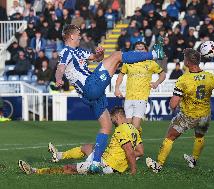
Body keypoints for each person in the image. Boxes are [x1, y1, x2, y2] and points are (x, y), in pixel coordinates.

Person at [55, 24, 164, 169]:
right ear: (72, 36)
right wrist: (58, 78)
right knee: (118, 55)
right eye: (78, 34)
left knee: (106, 126)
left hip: (91, 94)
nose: (80, 36)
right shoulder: (66, 52)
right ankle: (155, 54)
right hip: (90, 85)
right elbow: (60, 68)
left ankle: (95, 163)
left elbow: (96, 58)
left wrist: (100, 53)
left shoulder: (79, 51)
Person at [145, 48, 214, 173]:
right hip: (205, 115)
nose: (183, 60)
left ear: (188, 62)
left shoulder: (183, 80)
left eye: (185, 58)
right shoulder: (210, 77)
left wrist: (172, 104)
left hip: (187, 116)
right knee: (199, 136)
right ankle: (193, 159)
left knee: (170, 137)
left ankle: (159, 164)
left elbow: (173, 104)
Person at [18, 107, 143, 175]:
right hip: (107, 160)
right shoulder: (135, 129)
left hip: (107, 166)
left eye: (112, 119)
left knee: (68, 168)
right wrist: (123, 158)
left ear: (117, 117)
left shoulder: (120, 129)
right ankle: (59, 155)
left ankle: (34, 171)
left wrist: (133, 171)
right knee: (87, 147)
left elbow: (129, 151)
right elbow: (140, 152)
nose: (112, 122)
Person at [114, 41, 166, 135]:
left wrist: (157, 83)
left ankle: (136, 144)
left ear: (146, 50)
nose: (140, 51)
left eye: (142, 49)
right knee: (127, 126)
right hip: (129, 97)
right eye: (137, 49)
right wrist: (117, 88)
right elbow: (121, 75)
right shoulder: (128, 62)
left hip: (141, 97)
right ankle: (135, 144)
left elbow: (162, 75)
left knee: (135, 126)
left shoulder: (151, 63)